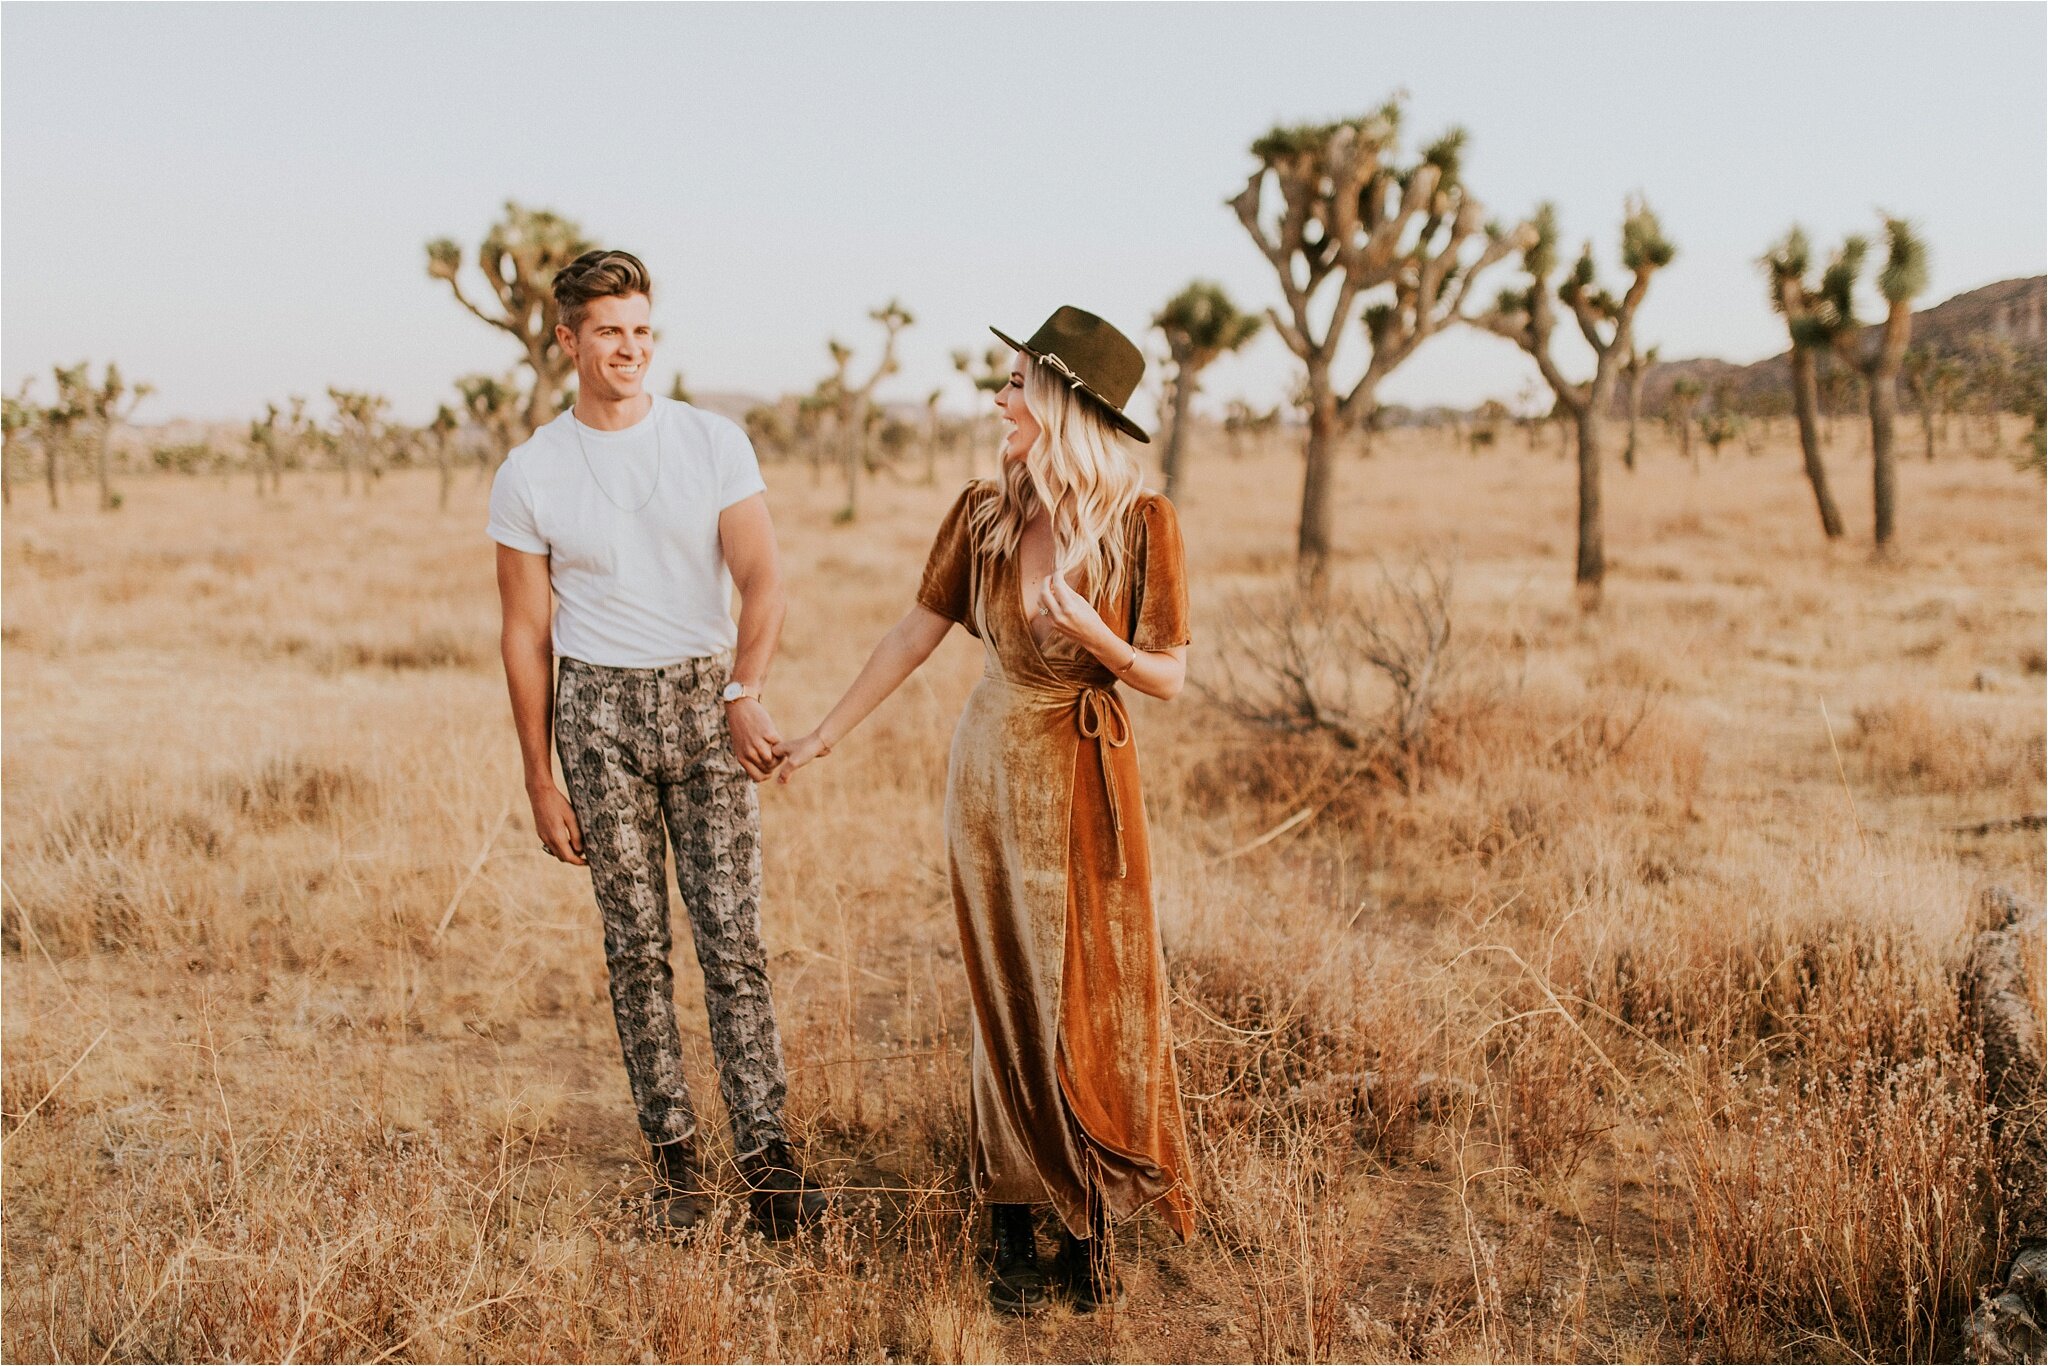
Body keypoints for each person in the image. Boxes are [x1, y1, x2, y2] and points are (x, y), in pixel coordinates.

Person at [776, 306, 1196, 1313]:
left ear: (1064, 403)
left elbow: (1169, 678)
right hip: (987, 766)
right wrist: (824, 733)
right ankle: (1009, 1210)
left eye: (1017, 384)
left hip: (1084, 769)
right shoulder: (982, 513)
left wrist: (1099, 632)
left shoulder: (1143, 524)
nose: (999, 400)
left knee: (1087, 990)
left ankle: (1086, 1206)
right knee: (1000, 984)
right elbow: (913, 633)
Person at [486, 249, 827, 1238]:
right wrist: (537, 775)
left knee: (734, 940)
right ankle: (676, 1166)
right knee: (634, 948)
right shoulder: (531, 470)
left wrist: (743, 689)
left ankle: (769, 1165)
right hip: (596, 721)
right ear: (567, 341)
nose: (627, 348)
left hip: (704, 700)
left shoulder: (709, 442)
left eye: (640, 331)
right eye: (607, 332)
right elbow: (524, 631)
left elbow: (762, 577)